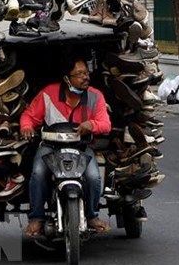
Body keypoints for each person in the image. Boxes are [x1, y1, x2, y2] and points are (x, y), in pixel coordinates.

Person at [20, 57, 111, 237]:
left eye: (86, 73)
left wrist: (91, 125)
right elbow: (29, 115)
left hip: (82, 147)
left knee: (93, 177)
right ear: (67, 79)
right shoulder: (48, 94)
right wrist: (27, 127)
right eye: (79, 74)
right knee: (37, 173)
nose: (85, 77)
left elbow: (105, 124)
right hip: (50, 146)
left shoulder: (95, 96)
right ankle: (36, 217)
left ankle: (92, 216)